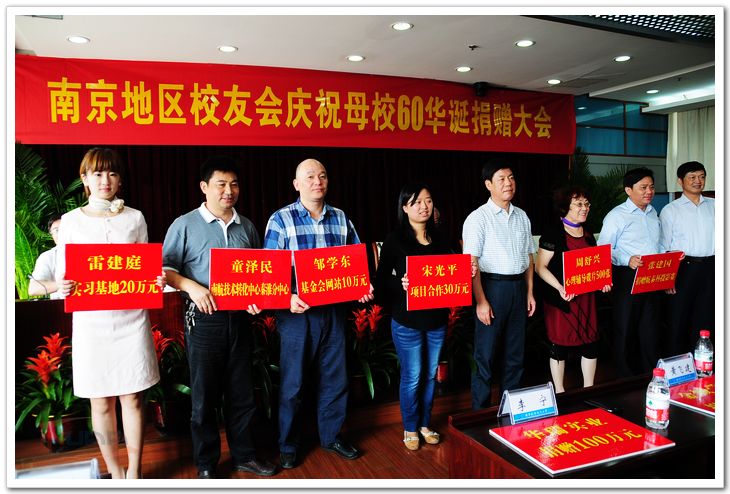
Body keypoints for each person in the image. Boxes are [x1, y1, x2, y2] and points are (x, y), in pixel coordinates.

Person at [162, 156, 276, 479]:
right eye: (221, 184)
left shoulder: (247, 226)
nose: (229, 191)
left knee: (242, 392)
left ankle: (245, 455)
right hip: (204, 319)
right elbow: (166, 270)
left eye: (234, 184)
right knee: (204, 397)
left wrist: (257, 299)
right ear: (204, 187)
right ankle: (206, 464)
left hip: (239, 320)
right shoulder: (184, 224)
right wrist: (193, 287)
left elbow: (258, 273)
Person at [55, 148, 161, 479]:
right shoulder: (71, 221)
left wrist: (155, 278)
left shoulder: (135, 218)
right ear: (85, 179)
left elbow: (145, 264)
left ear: (120, 180)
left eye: (112, 173)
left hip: (132, 320)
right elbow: (62, 272)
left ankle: (134, 471)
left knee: (132, 398)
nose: (105, 180)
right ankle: (115, 471)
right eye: (98, 174)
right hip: (92, 324)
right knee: (100, 402)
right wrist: (64, 284)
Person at [262, 158, 373, 469]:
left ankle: (332, 436)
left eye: (322, 175)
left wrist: (362, 287)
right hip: (297, 312)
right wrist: (287, 297)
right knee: (294, 383)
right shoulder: (281, 219)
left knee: (335, 378)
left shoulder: (341, 218)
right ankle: (288, 444)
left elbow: (356, 262)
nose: (317, 181)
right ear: (296, 184)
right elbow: (270, 271)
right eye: (310, 176)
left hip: (334, 310)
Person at [374, 183, 451, 451]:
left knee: (430, 375)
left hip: (436, 320)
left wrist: (468, 270)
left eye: (428, 201)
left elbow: (451, 272)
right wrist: (402, 284)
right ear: (405, 208)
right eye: (416, 202)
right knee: (413, 376)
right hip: (407, 321)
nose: (424, 206)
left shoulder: (441, 238)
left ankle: (425, 424)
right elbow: (380, 281)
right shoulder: (395, 240)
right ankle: (410, 426)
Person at [462, 158, 536, 410]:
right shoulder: (478, 218)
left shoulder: (522, 216)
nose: (508, 183)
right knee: (485, 356)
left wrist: (530, 292)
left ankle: (510, 410)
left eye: (511, 177)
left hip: (518, 288)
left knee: (515, 354)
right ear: (488, 185)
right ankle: (480, 412)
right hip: (491, 288)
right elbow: (471, 264)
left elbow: (529, 258)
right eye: (501, 179)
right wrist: (481, 301)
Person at [535, 187, 612, 393]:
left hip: (587, 298)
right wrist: (560, 287)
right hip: (562, 299)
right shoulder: (552, 233)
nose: (584, 208)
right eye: (579, 204)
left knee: (590, 343)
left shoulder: (588, 233)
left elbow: (595, 266)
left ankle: (589, 389)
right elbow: (540, 267)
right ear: (565, 207)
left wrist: (602, 282)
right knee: (560, 345)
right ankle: (560, 392)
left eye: (586, 204)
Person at [599, 167, 661, 377]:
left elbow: (657, 244)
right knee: (625, 326)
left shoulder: (653, 213)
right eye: (643, 187)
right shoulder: (616, 216)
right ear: (628, 190)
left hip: (652, 275)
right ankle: (624, 376)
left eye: (651, 187)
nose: (649, 192)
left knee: (650, 327)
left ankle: (649, 373)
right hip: (627, 275)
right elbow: (604, 249)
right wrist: (627, 259)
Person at [659, 161, 715, 356]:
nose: (698, 181)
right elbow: (663, 246)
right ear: (680, 181)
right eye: (692, 177)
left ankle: (704, 362)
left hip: (711, 267)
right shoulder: (671, 210)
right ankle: (677, 363)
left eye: (701, 176)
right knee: (678, 318)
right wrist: (668, 277)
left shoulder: (716, 206)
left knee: (707, 317)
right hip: (682, 269)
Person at [28, 215, 62, 299]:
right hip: (60, 304)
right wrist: (59, 285)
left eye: (66, 228)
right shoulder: (48, 257)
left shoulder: (90, 252)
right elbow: (33, 289)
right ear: (52, 235)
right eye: (57, 230)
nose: (62, 233)